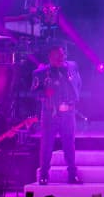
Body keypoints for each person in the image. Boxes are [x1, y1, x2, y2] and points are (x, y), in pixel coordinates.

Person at [33, 44, 82, 185]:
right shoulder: (41, 73)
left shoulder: (72, 66)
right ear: (50, 57)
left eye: (62, 55)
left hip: (68, 113)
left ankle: (72, 174)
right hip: (50, 114)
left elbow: (78, 84)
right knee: (47, 145)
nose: (60, 58)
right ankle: (44, 175)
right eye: (57, 56)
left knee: (69, 144)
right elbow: (34, 91)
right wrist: (44, 93)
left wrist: (72, 100)